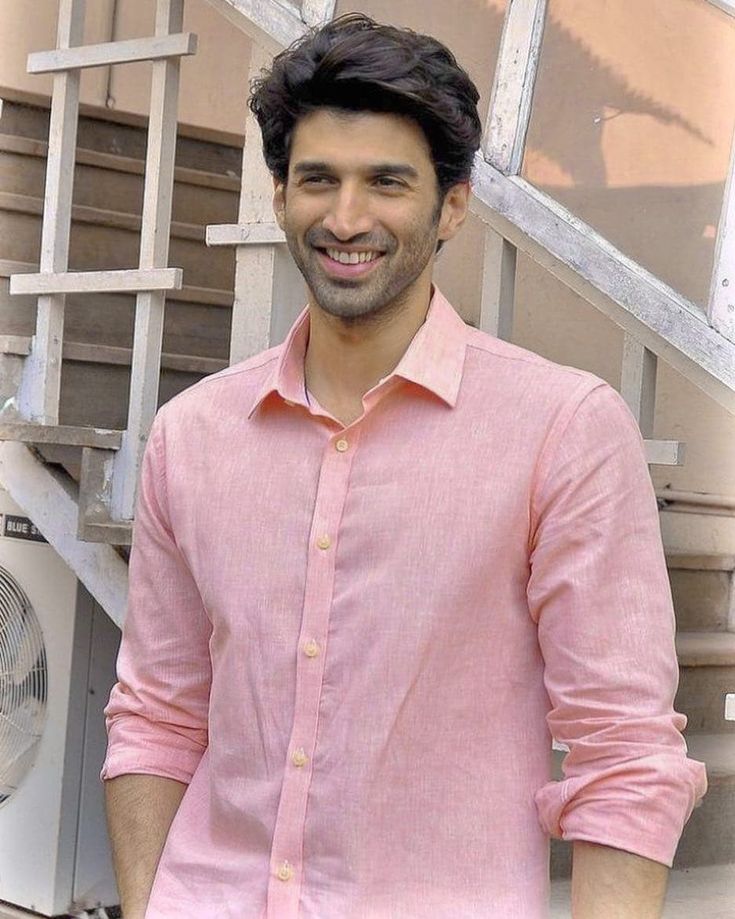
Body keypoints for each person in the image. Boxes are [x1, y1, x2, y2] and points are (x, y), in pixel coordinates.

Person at [101, 13, 707, 919]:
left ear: (451, 204)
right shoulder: (192, 435)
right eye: (318, 180)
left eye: (386, 182)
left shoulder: (562, 430)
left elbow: (621, 750)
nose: (346, 219)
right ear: (280, 196)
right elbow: (156, 713)